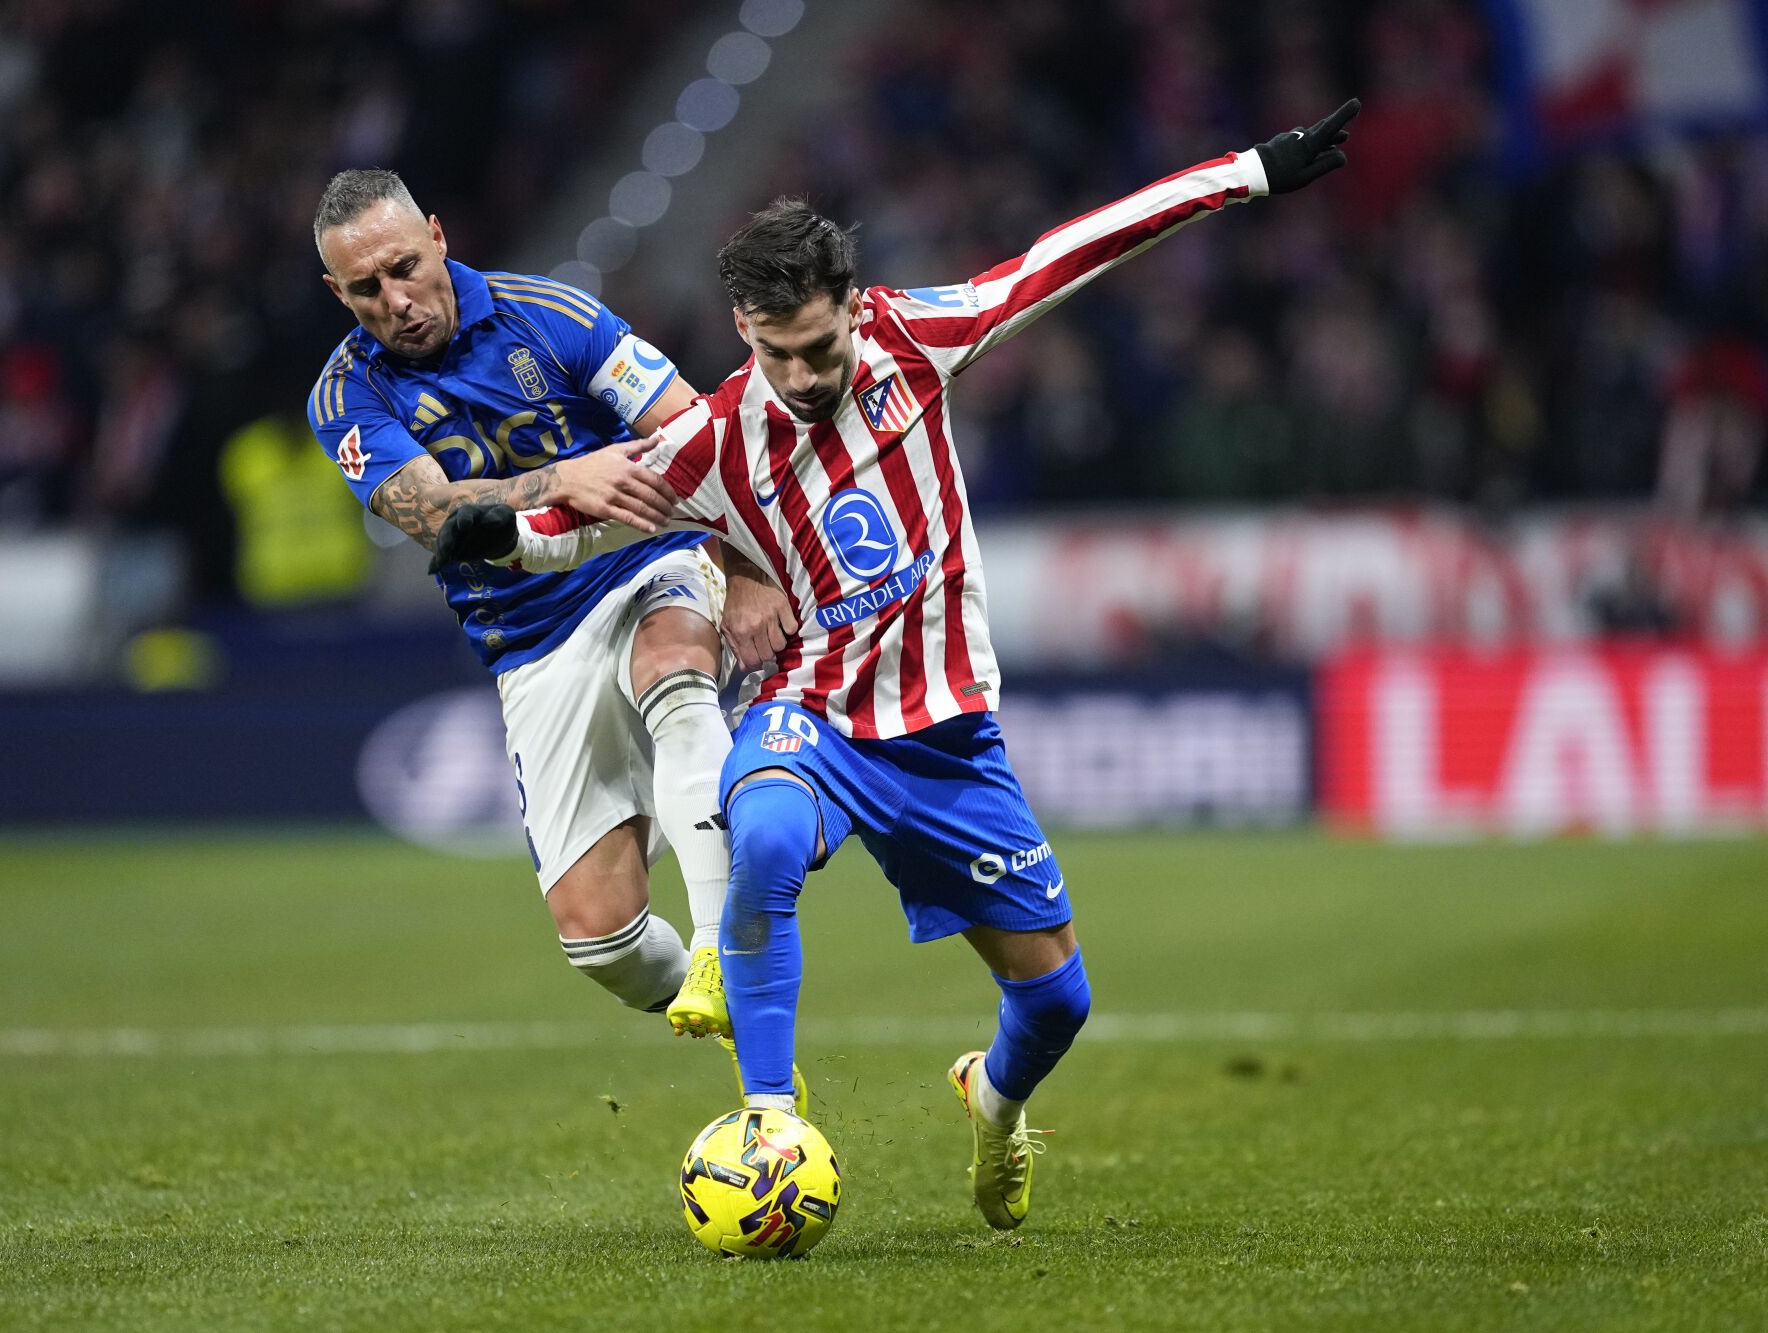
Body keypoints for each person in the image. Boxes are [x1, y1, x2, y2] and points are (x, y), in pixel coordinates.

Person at [431, 102, 1360, 1228]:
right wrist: (497, 530)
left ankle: (996, 1102)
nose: (805, 374)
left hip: (941, 729)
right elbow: (588, 521)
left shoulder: (920, 338)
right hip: (809, 709)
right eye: (776, 354)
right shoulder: (715, 437)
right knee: (761, 832)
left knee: (1056, 1001)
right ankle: (768, 1115)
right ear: (742, 328)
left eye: (820, 348)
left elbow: (1074, 250)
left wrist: (1247, 175)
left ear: (854, 312)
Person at [306, 170, 806, 1109]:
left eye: (405, 268)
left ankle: (724, 961)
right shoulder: (343, 398)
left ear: (439, 237)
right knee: (602, 939)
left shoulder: (556, 317)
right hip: (530, 640)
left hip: (645, 565)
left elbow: (696, 431)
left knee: (675, 663)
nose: (396, 301)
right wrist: (563, 478)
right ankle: (726, 997)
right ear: (338, 294)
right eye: (366, 289)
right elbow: (434, 515)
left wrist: (744, 566)